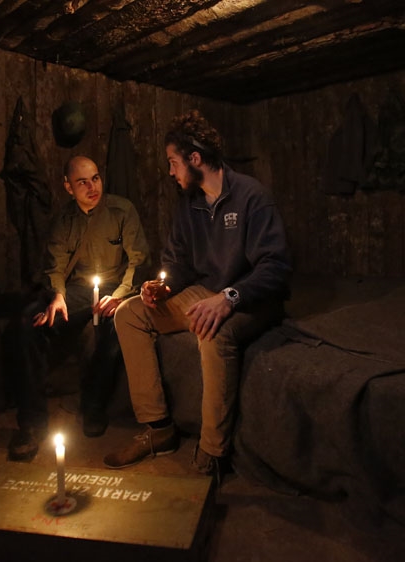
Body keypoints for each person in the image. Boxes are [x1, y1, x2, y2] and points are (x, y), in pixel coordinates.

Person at [103, 110, 292, 476]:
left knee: (213, 331)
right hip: (207, 290)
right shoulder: (188, 204)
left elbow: (276, 267)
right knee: (129, 314)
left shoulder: (252, 197)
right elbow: (178, 263)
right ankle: (159, 429)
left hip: (253, 297)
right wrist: (164, 286)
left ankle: (213, 453)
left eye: (173, 163)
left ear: (194, 158)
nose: (170, 172)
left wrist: (230, 297)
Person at [7, 155, 150, 462]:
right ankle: (32, 422)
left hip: (117, 287)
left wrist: (122, 295)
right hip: (77, 291)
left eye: (95, 178)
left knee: (115, 328)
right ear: (68, 187)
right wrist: (57, 296)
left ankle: (94, 406)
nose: (92, 187)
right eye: (82, 182)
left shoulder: (121, 210)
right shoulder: (63, 220)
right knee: (26, 323)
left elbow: (138, 260)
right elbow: (54, 266)